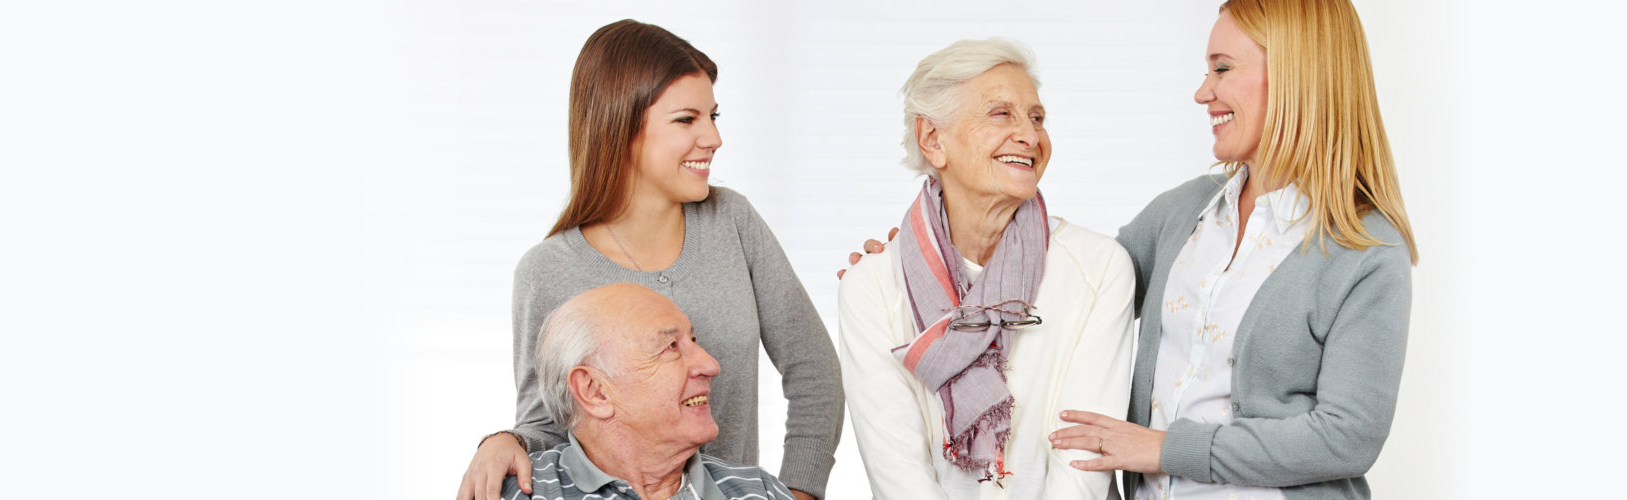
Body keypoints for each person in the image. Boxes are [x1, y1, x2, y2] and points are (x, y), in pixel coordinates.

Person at [845, 1, 1416, 498]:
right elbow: (1068, 278)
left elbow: (1348, 437)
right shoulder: (1186, 212)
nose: (1202, 92)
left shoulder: (1365, 248)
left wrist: (1165, 450)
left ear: (1297, 78)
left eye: (1222, 69)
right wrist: (920, 258)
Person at [459, 19, 841, 500]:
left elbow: (815, 374)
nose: (713, 138)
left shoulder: (732, 221)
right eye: (687, 119)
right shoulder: (548, 271)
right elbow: (548, 423)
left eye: (713, 116)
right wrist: (504, 440)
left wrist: (799, 492)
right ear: (621, 125)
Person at [837, 38, 1136, 500]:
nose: (1030, 136)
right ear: (932, 139)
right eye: (1001, 114)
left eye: (1036, 118)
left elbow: (1081, 462)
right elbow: (898, 474)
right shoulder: (871, 286)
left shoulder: (1099, 267)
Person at [500, 283, 799, 500]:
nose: (710, 365)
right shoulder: (518, 495)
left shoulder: (760, 491)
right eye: (670, 347)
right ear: (595, 392)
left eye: (693, 341)